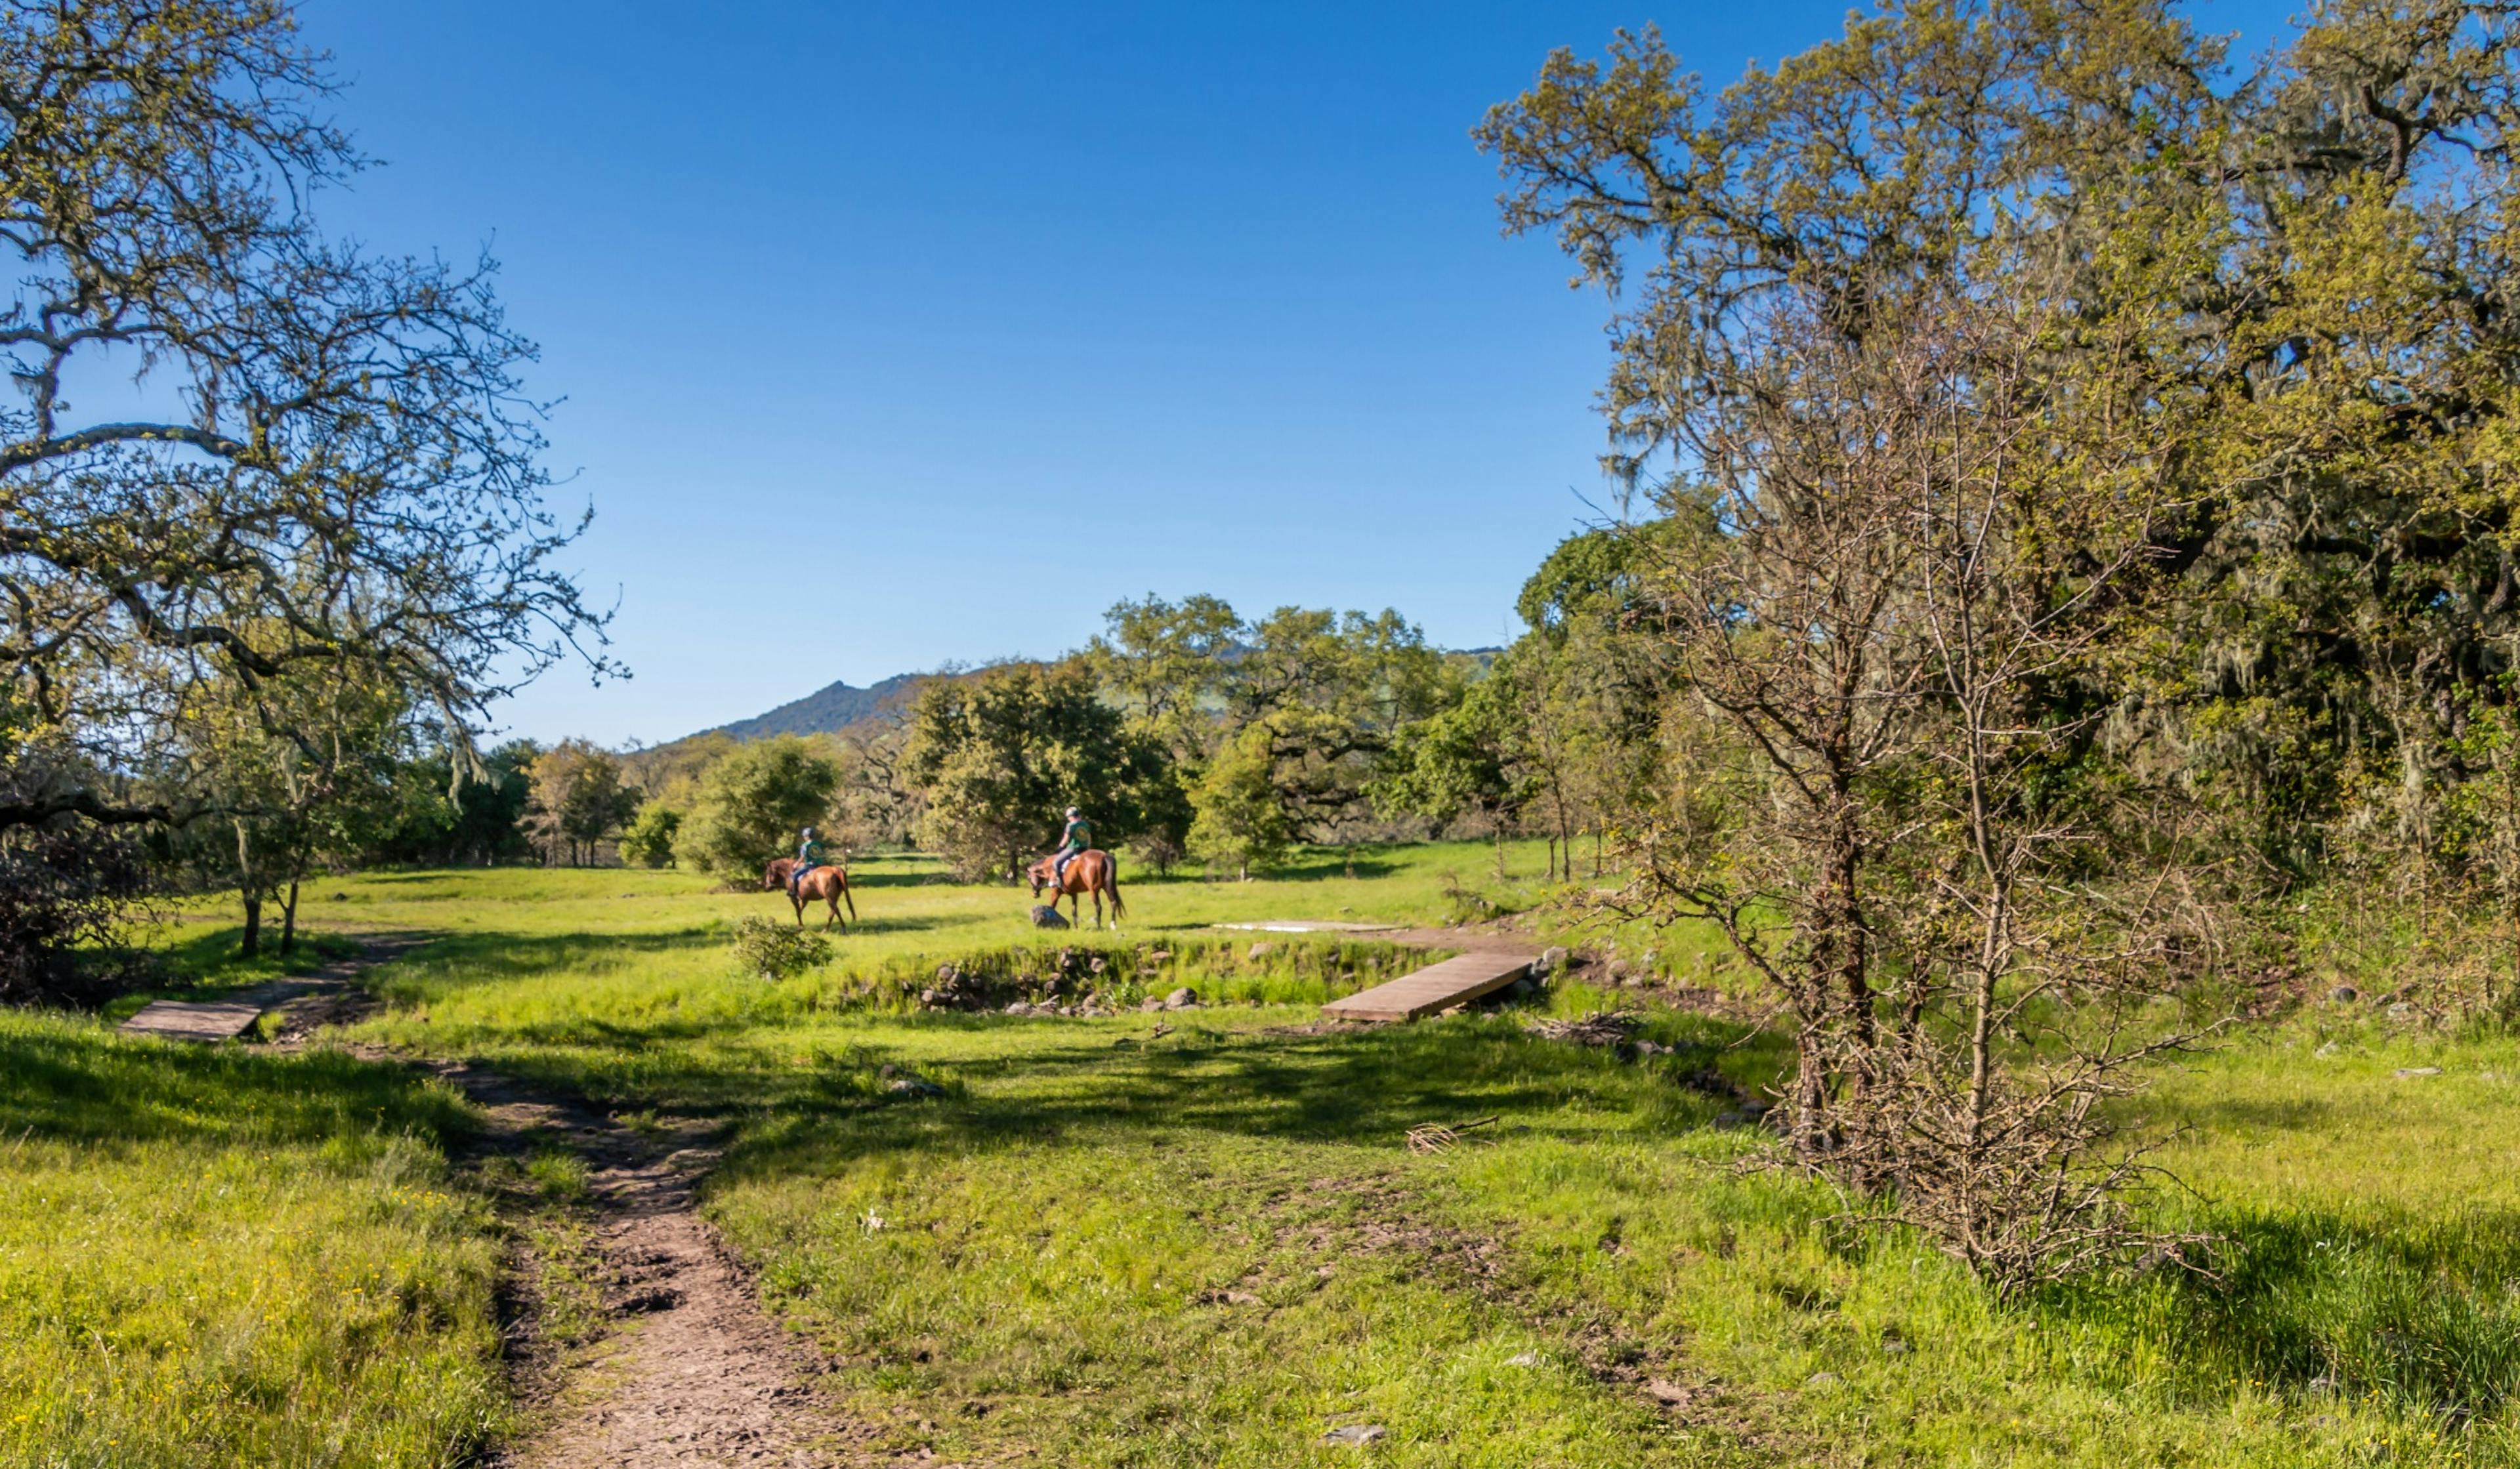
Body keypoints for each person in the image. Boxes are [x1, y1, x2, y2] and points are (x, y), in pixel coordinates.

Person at [1049, 807, 1091, 886]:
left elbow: (1066, 839)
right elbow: (1089, 838)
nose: (1068, 819)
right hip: (1085, 849)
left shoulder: (1070, 825)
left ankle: (1060, 882)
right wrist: (1087, 847)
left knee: (1056, 863)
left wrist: (1060, 847)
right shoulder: (1086, 825)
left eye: (1068, 817)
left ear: (1071, 816)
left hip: (1073, 849)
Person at [792, 827, 826, 895]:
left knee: (795, 875)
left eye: (804, 836)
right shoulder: (818, 843)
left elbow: (803, 856)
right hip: (820, 864)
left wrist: (796, 864)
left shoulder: (805, 845)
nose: (804, 838)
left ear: (807, 836)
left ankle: (795, 893)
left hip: (810, 865)